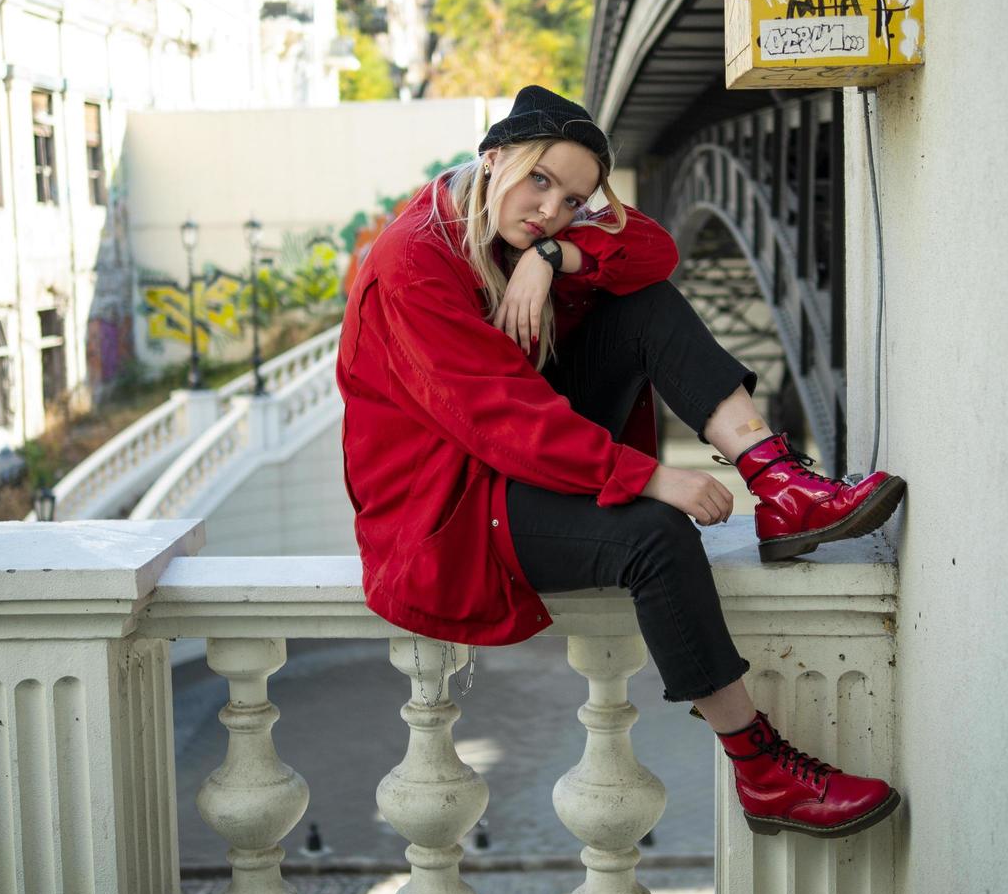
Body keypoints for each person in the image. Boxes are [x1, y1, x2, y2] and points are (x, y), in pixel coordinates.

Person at [336, 85, 907, 839]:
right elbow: (498, 419)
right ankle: (761, 770)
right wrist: (652, 478)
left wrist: (552, 254)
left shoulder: (525, 230)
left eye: (572, 199)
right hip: (453, 505)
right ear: (495, 156)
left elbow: (653, 250)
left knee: (647, 306)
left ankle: (779, 483)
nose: (549, 207)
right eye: (539, 181)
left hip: (513, 454)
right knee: (653, 535)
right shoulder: (414, 261)